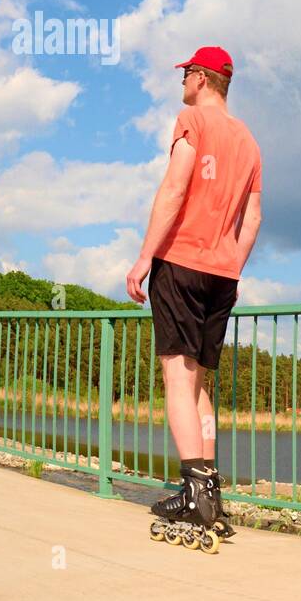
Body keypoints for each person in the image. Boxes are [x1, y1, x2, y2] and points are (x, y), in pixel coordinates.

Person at [125, 45, 263, 539]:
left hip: (181, 261)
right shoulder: (248, 140)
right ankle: (211, 492)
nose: (181, 80)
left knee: (177, 380)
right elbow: (253, 219)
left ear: (202, 79)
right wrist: (232, 267)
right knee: (199, 383)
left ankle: (194, 494)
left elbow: (175, 188)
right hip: (222, 274)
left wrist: (145, 257)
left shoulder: (191, 120)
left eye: (186, 72)